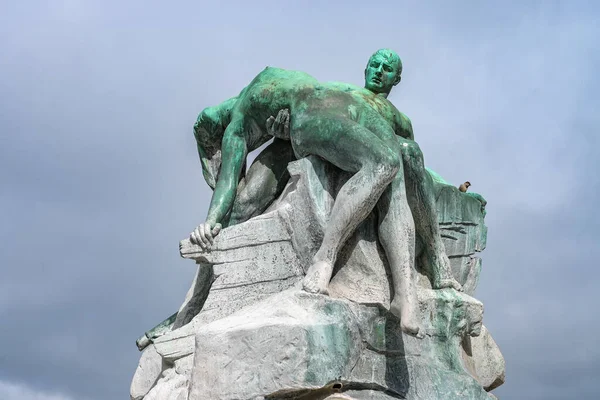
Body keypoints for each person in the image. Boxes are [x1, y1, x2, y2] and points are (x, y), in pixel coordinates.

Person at [190, 60, 424, 336]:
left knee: (382, 164)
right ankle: (406, 295)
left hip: (311, 114)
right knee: (392, 169)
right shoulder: (269, 77)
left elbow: (227, 183)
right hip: (340, 101)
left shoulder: (235, 126)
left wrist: (210, 221)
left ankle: (324, 259)